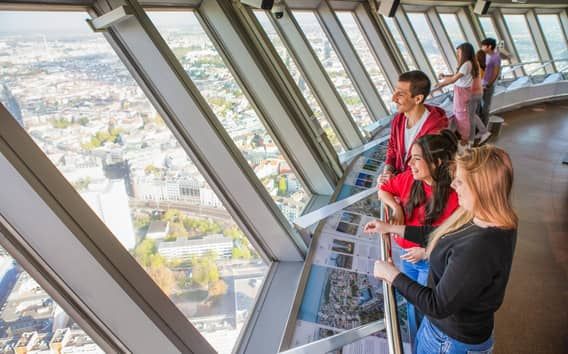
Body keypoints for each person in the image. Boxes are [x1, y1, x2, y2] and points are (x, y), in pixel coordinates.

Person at [365, 145, 517, 354]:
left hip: (449, 341)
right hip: (447, 333)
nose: (454, 185)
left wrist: (392, 275)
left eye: (461, 181)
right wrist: (392, 228)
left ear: (482, 187)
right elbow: (441, 233)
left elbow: (437, 305)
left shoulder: (479, 246)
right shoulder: (490, 218)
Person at [378, 130, 459, 347]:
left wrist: (425, 251)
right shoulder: (409, 179)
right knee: (412, 303)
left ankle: (423, 343)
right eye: (410, 158)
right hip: (407, 257)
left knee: (424, 305)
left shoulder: (454, 194)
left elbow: (452, 237)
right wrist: (396, 208)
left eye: (417, 159)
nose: (410, 164)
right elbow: (383, 189)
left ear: (437, 162)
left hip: (429, 261)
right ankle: (416, 343)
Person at [381, 71, 448, 184]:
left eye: (400, 94)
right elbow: (392, 149)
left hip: (419, 188)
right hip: (401, 182)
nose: (393, 98)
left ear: (417, 99)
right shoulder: (398, 120)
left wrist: (395, 183)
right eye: (395, 91)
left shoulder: (435, 130)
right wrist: (387, 172)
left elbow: (427, 168)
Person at [434, 43, 478, 147]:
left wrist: (440, 84)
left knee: (462, 115)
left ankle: (465, 139)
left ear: (465, 52)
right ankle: (466, 138)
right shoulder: (468, 64)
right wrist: (445, 76)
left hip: (462, 92)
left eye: (459, 52)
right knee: (460, 114)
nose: (457, 54)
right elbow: (456, 76)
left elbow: (454, 79)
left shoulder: (467, 64)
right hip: (462, 91)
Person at [470, 50, 491, 146]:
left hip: (474, 93)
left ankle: (482, 131)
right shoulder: (482, 67)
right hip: (479, 92)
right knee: (473, 114)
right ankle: (481, 132)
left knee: (472, 114)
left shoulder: (475, 66)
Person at [480, 38, 502, 126]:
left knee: (485, 106)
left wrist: (489, 84)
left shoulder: (496, 57)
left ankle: (484, 127)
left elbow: (496, 72)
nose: (482, 47)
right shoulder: (485, 55)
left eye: (483, 46)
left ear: (489, 46)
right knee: (479, 106)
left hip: (487, 86)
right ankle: (480, 126)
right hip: (481, 84)